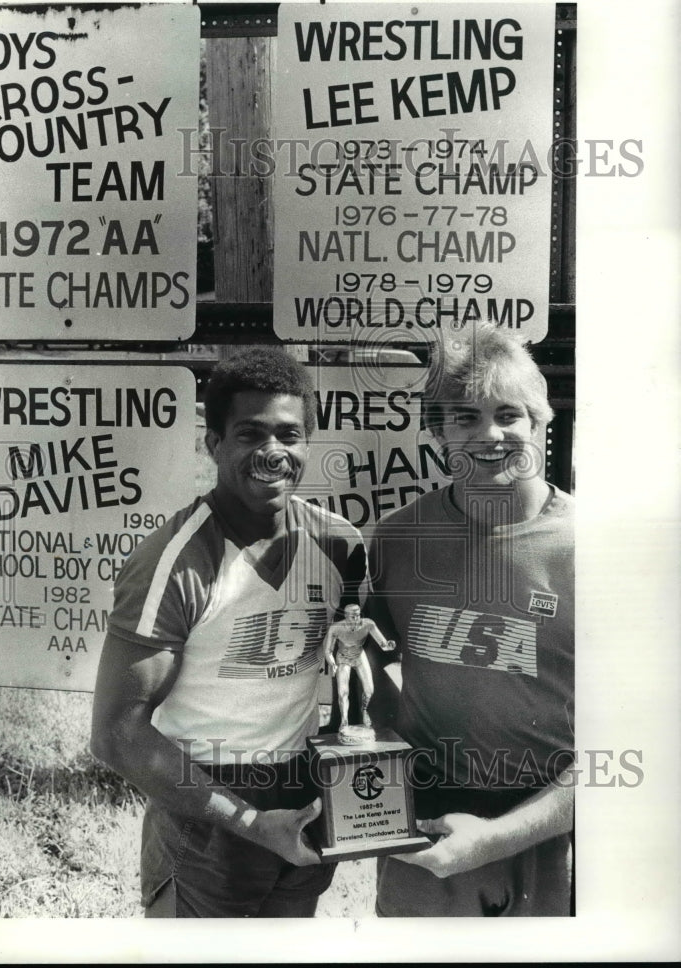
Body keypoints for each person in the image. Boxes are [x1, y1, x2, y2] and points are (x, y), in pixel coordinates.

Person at [90, 347, 368, 918]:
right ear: (213, 443)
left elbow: (353, 675)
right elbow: (117, 733)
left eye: (290, 435)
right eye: (250, 434)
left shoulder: (340, 544)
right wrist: (246, 820)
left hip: (302, 794)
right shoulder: (174, 562)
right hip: (206, 809)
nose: (273, 453)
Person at [369, 322, 574, 917]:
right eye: (464, 418)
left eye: (509, 414)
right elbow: (365, 659)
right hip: (431, 822)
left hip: (553, 827)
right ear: (437, 433)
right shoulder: (400, 538)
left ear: (541, 422)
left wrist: (498, 838)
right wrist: (383, 746)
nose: (490, 435)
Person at [322, 603, 395, 733]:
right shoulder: (336, 628)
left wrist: (389, 645)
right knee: (343, 692)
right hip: (343, 658)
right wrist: (332, 663)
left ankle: (365, 710)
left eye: (358, 615)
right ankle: (344, 721)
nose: (356, 619)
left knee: (369, 690)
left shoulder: (368, 624)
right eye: (352, 616)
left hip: (359, 656)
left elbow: (383, 645)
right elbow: (328, 651)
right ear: (346, 616)